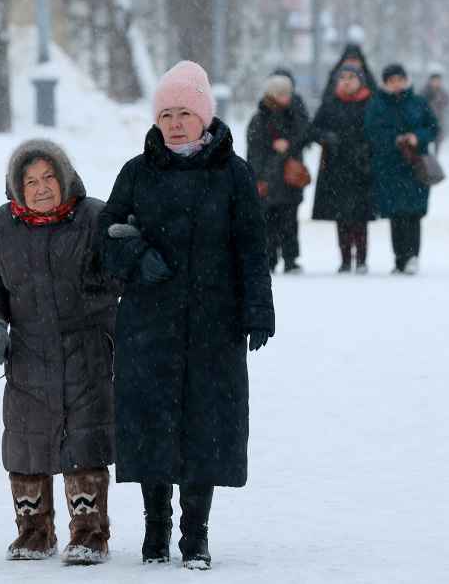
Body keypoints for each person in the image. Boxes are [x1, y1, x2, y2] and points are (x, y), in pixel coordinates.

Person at [97, 60, 275, 570]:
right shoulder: (137, 171)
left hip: (214, 324)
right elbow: (105, 232)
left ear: (204, 117)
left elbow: (251, 246)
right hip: (149, 324)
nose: (174, 123)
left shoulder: (233, 174)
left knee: (207, 425)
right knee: (150, 423)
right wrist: (135, 259)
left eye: (185, 113)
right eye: (166, 114)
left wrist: (258, 310)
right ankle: (156, 530)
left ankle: (195, 534)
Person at [0, 139, 121, 565]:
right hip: (29, 353)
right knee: (26, 441)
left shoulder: (95, 217)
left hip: (88, 348)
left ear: (64, 176)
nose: (40, 188)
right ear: (17, 186)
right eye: (30, 180)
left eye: (48, 177)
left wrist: (128, 248)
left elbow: (122, 275)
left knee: (84, 439)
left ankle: (90, 534)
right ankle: (34, 532)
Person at [365, 64, 438, 275]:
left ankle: (413, 256)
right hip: (389, 167)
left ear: (406, 80)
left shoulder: (419, 102)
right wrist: (394, 140)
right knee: (396, 214)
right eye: (391, 80)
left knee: (414, 212)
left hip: (415, 166)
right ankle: (399, 259)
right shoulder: (378, 105)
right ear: (385, 83)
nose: (396, 84)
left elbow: (433, 127)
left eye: (399, 79)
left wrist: (418, 137)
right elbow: (372, 131)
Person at [309, 64, 377, 273]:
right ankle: (346, 258)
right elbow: (314, 129)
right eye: (343, 77)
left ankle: (362, 259)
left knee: (361, 216)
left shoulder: (370, 103)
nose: (347, 81)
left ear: (360, 80)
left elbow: (378, 129)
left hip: (363, 167)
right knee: (342, 216)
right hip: (336, 167)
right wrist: (326, 137)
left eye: (351, 77)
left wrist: (367, 145)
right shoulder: (330, 103)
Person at [246, 73, 310, 273]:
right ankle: (269, 259)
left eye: (288, 93)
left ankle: (291, 259)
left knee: (290, 221)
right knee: (268, 221)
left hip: (289, 177)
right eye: (282, 94)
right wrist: (258, 177)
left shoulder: (294, 115)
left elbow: (304, 136)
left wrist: (288, 145)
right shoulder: (259, 120)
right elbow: (254, 152)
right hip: (269, 178)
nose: (288, 97)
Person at [421, 73, 449, 154]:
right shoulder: (425, 90)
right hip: (426, 117)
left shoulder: (441, 92)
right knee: (425, 135)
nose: (436, 83)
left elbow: (446, 100)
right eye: (434, 81)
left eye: (438, 81)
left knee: (438, 136)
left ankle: (436, 152)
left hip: (438, 117)